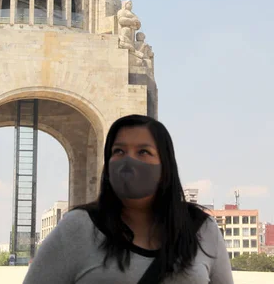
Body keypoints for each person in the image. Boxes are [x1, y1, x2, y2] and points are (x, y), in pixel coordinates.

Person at [24, 114, 233, 283]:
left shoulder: (203, 229)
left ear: (165, 165)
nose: (129, 161)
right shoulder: (77, 227)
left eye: (143, 152)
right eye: (119, 151)